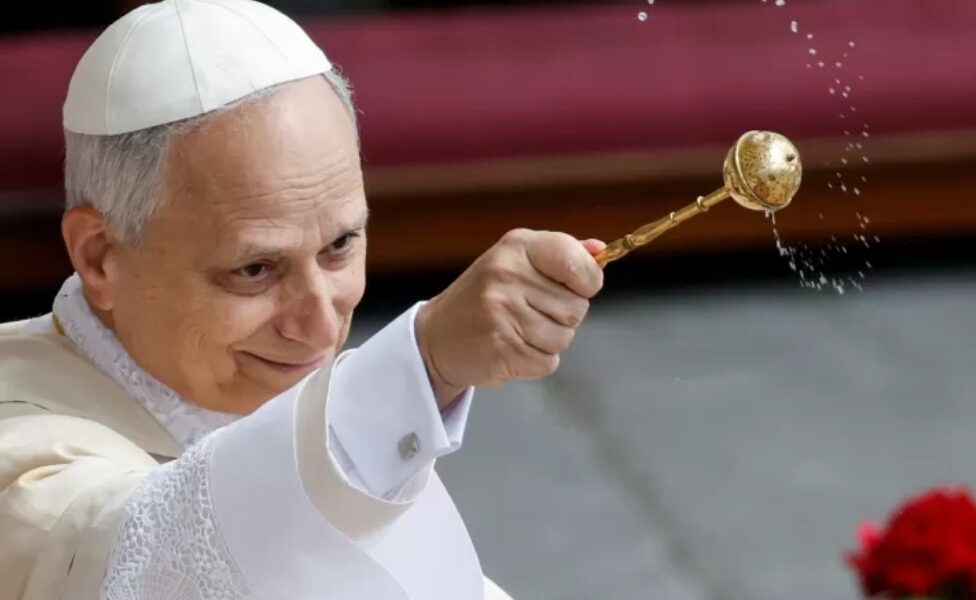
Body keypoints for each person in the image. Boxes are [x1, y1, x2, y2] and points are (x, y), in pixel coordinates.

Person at [0, 0, 605, 598]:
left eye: (340, 245)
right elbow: (151, 562)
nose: (320, 328)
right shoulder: (20, 436)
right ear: (100, 256)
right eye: (256, 269)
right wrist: (421, 367)